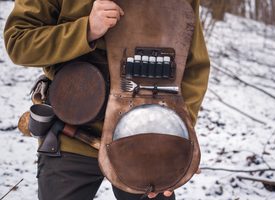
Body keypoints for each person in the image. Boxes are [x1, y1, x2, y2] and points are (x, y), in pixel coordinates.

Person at [4, 0, 210, 199]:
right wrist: (87, 29)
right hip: (70, 133)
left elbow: (194, 68)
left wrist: (177, 136)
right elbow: (19, 42)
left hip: (148, 136)